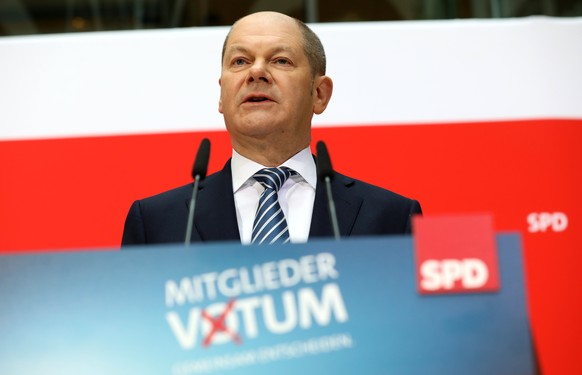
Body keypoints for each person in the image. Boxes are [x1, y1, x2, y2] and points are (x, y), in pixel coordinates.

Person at [121, 11, 421, 246]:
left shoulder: (392, 218)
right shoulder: (157, 222)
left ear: (319, 94)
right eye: (240, 61)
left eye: (280, 60)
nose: (256, 72)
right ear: (221, 95)